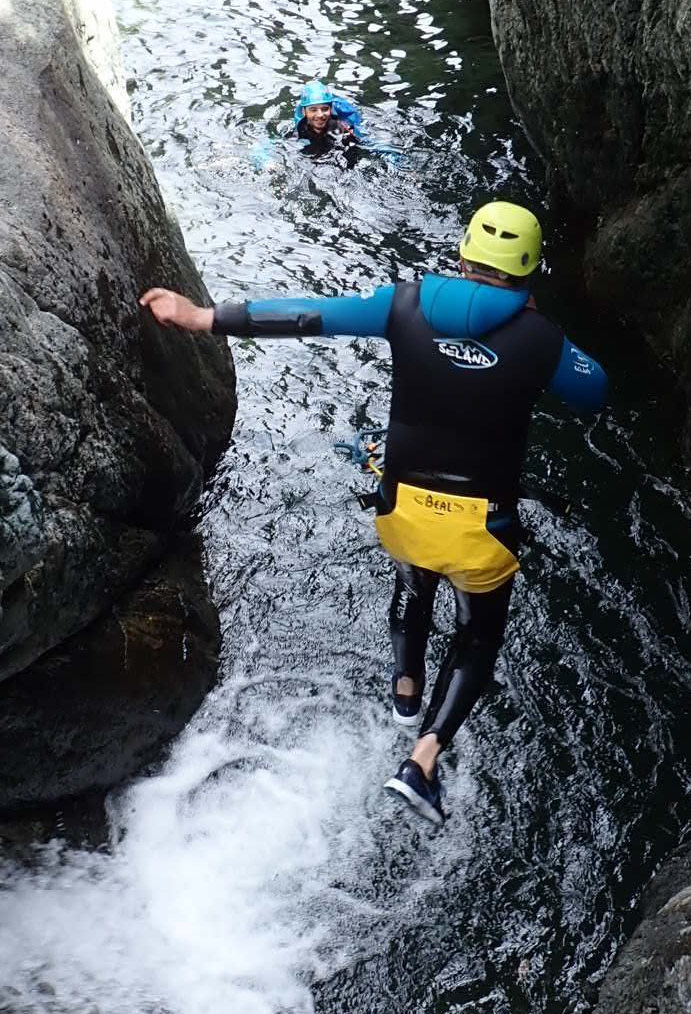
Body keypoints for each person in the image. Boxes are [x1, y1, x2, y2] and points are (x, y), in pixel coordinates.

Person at [139, 202, 608, 825]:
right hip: (481, 532)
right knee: (477, 637)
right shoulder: (541, 340)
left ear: (463, 254)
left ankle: (405, 690)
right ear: (527, 272)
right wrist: (536, 338)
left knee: (413, 581)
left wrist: (203, 317)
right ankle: (422, 761)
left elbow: (309, 314)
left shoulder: (403, 305)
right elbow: (595, 388)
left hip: (403, 514)